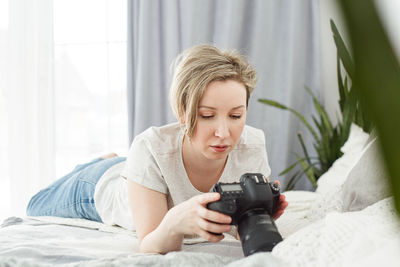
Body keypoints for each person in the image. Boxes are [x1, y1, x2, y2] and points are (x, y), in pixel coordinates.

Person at [27, 44, 288, 254]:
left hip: (141, 170)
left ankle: (120, 162)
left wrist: (258, 216)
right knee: (34, 206)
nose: (223, 133)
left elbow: (241, 230)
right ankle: (103, 162)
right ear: (182, 113)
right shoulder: (150, 148)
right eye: (207, 115)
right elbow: (151, 244)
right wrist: (175, 221)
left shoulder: (252, 145)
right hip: (100, 187)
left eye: (235, 116)